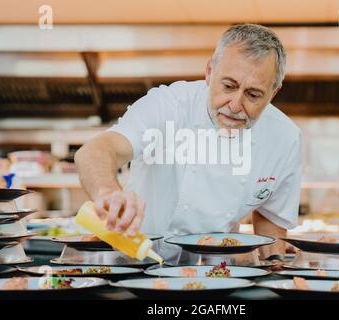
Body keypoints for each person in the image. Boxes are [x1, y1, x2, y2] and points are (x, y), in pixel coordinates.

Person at [75, 24, 302, 262]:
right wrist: (108, 192)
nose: (235, 105)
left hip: (217, 272)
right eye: (228, 86)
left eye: (253, 94)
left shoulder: (285, 138)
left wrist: (274, 269)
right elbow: (96, 151)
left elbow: (271, 220)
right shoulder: (167, 105)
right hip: (135, 261)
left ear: (273, 93)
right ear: (209, 71)